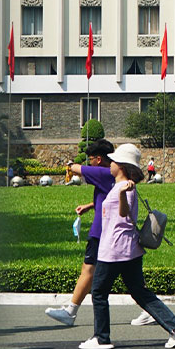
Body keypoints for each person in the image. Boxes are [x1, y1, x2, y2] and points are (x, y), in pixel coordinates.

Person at [81, 143, 175, 349]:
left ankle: (101, 338)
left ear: (121, 166)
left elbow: (123, 213)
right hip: (129, 249)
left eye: (112, 161)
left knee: (98, 292)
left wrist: (122, 193)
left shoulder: (125, 188)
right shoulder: (119, 185)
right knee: (139, 292)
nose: (109, 164)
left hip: (114, 250)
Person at [45, 139, 122, 326]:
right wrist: (89, 206)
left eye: (90, 159)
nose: (89, 162)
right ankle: (150, 308)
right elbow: (107, 198)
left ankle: (70, 312)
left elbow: (78, 169)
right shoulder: (113, 175)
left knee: (88, 269)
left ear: (97, 159)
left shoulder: (103, 172)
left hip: (100, 231)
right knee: (128, 274)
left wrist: (71, 165)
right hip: (110, 230)